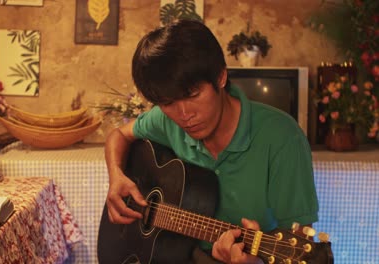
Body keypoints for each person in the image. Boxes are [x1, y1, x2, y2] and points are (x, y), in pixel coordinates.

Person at [104, 19, 319, 264]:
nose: (184, 115)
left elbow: (300, 244)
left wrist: (255, 262)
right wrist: (116, 175)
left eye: (193, 95)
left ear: (220, 77)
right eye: (167, 103)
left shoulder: (282, 138)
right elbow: (119, 135)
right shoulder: (167, 121)